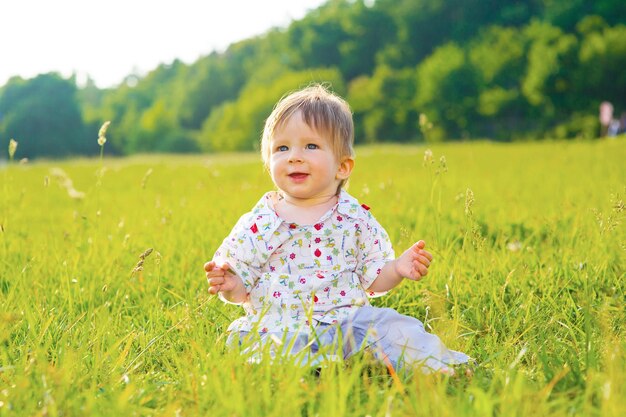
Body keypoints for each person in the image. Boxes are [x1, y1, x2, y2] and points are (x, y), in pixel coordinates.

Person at [204, 84, 470, 375]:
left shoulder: (355, 218)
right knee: (266, 345)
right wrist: (230, 284)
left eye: (311, 146)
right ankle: (312, 371)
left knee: (393, 327)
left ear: (342, 166)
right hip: (281, 326)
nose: (294, 156)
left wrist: (397, 268)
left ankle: (436, 367)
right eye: (282, 148)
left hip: (349, 322)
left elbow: (373, 279)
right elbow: (242, 286)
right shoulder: (260, 222)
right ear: (269, 163)